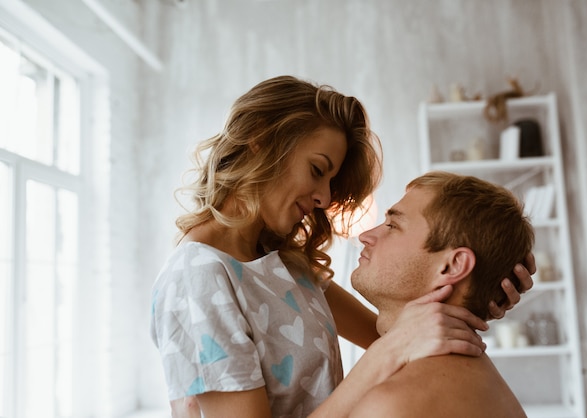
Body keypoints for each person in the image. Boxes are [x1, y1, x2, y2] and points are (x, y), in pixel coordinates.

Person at [150, 76, 535, 418]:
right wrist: (386, 356)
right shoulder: (198, 277)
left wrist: (478, 289)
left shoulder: (283, 262)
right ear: (261, 140)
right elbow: (394, 345)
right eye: (317, 170)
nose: (323, 197)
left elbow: (398, 332)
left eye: (330, 181)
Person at [349, 171, 534, 418]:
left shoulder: (393, 406)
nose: (365, 236)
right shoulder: (478, 381)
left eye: (393, 226)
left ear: (452, 266)